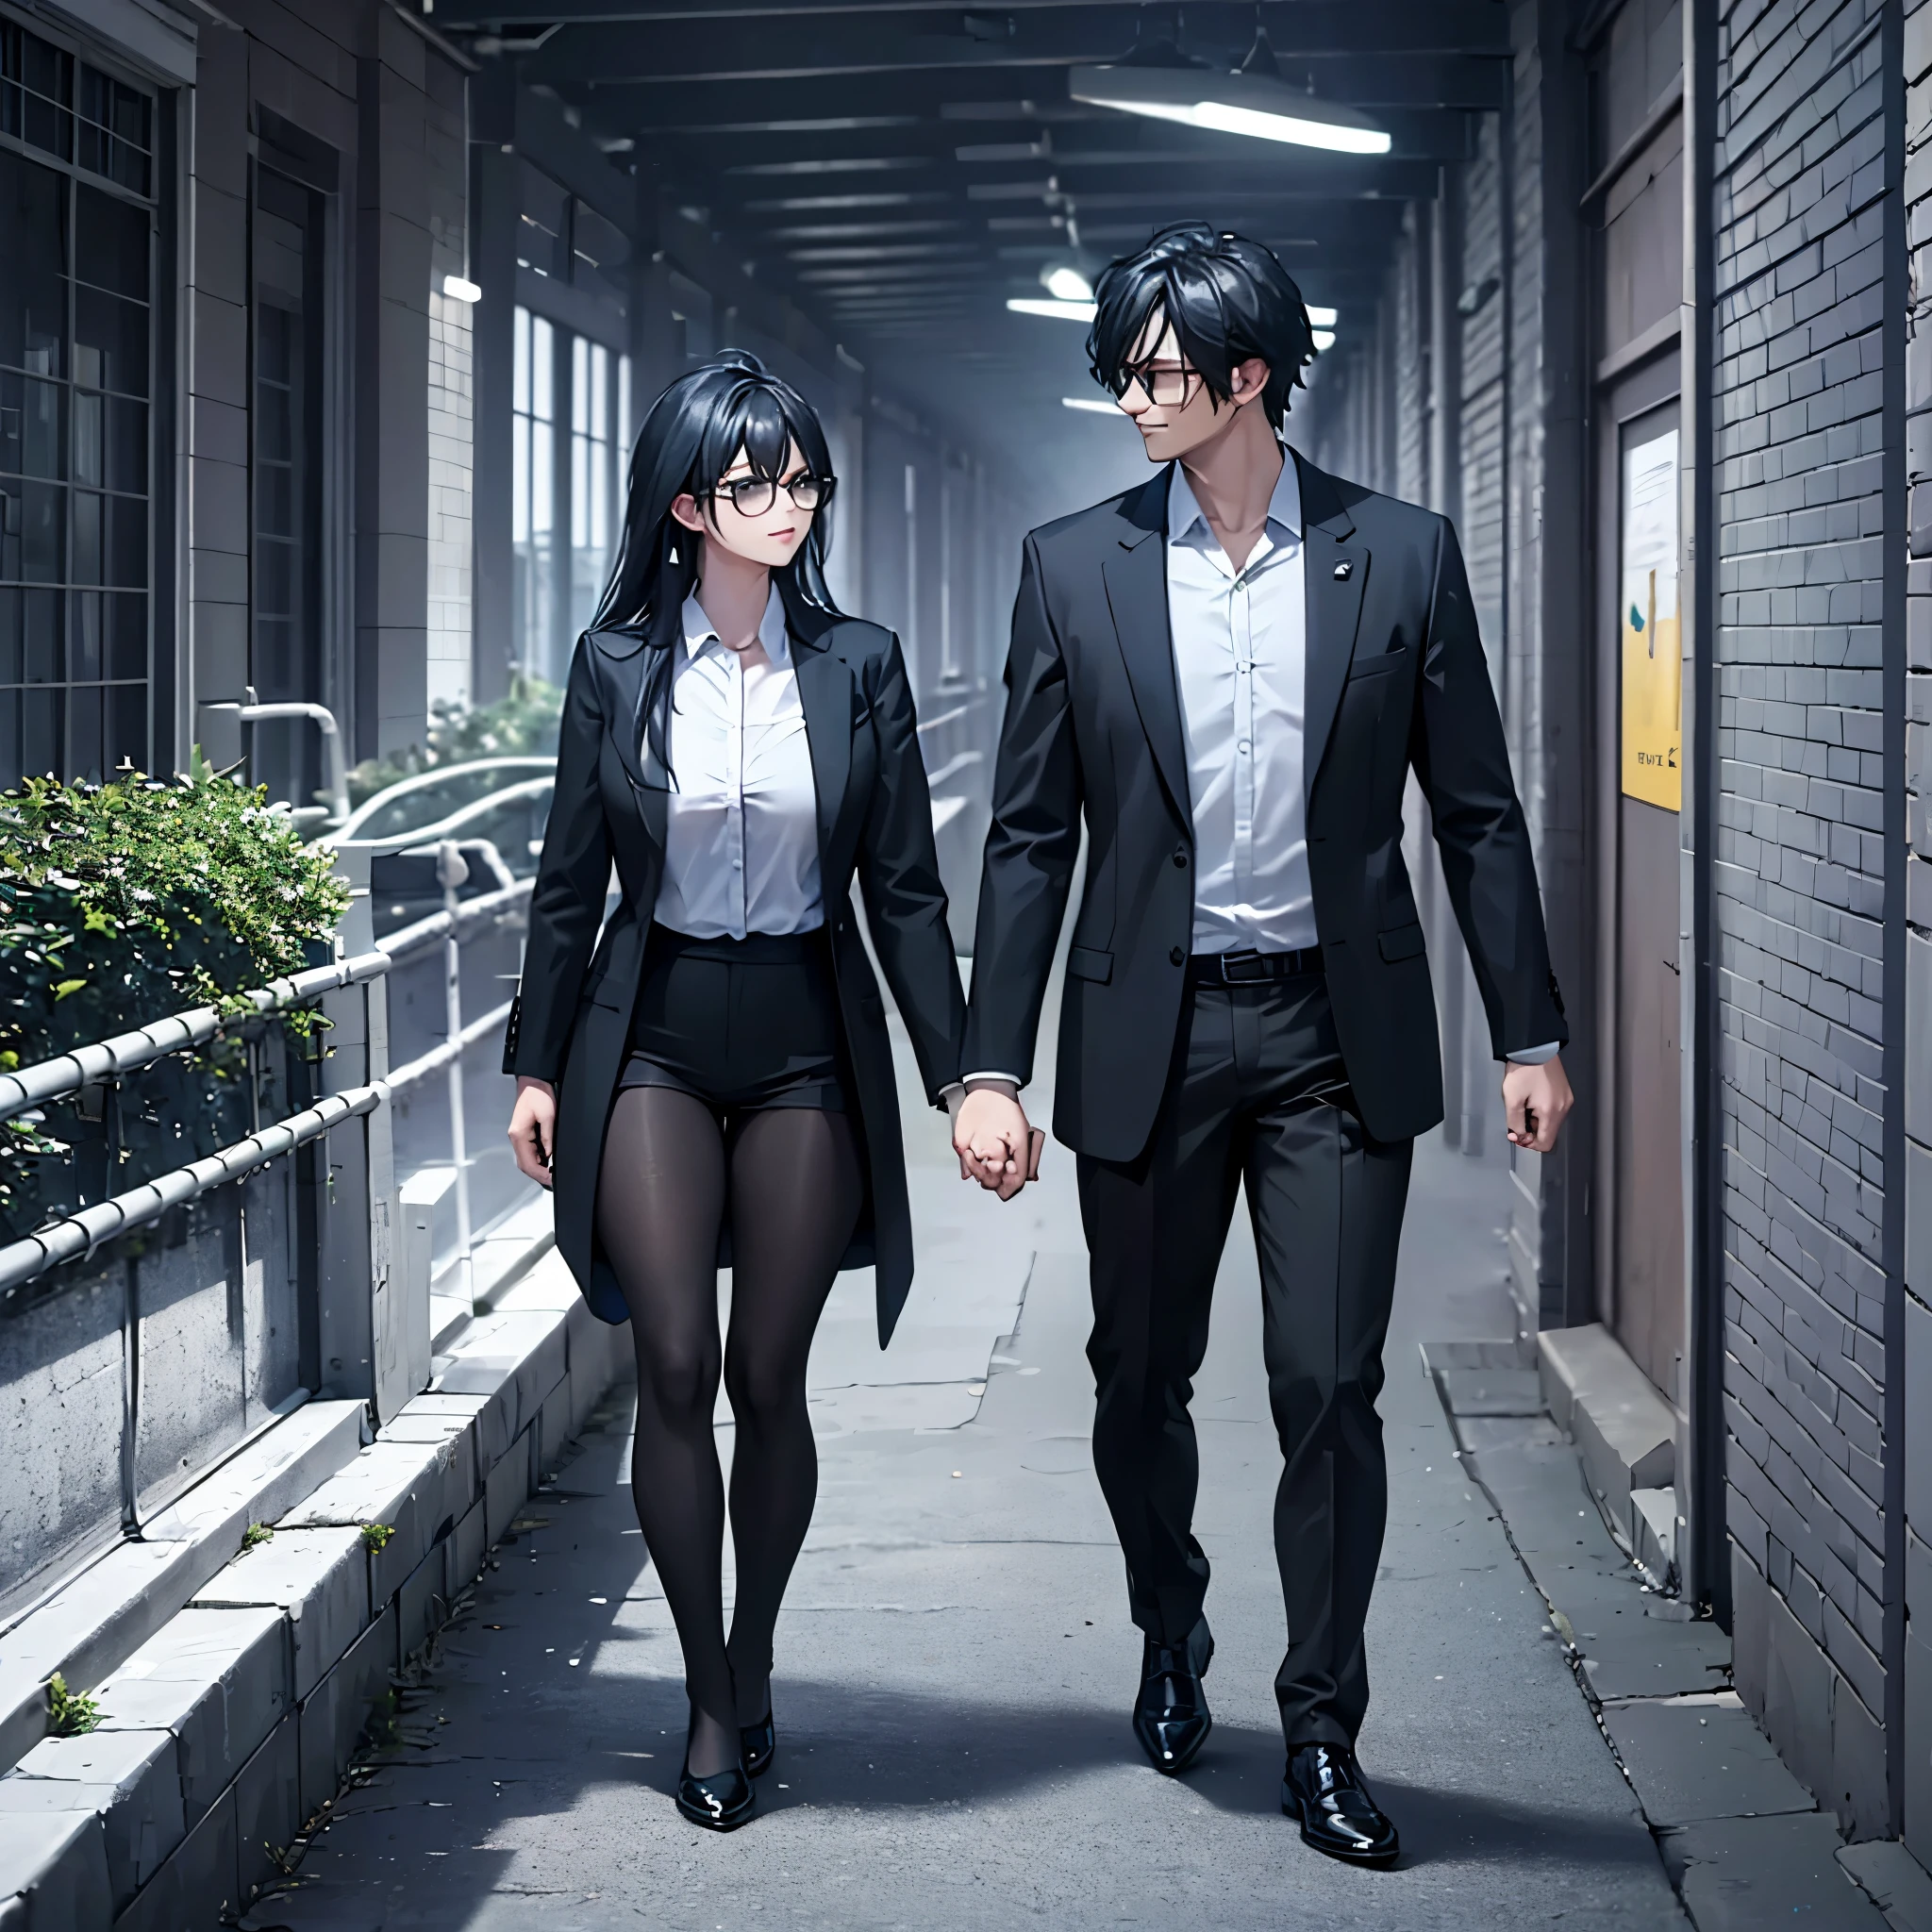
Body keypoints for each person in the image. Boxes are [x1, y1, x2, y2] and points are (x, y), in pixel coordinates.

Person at [952, 223, 1574, 1868]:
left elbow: (1479, 813)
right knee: (1135, 1381)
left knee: (1329, 1386)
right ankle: (1173, 1630)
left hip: (1327, 1034)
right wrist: (989, 1065)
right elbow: (1029, 838)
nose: (1131, 398)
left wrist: (1530, 1029)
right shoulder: (1073, 565)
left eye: (1156, 372)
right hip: (1142, 1036)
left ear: (1247, 380)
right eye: (1121, 372)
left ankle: (1321, 1727)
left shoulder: (1402, 555)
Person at [504, 351, 965, 1833]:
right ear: (693, 504)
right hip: (651, 1039)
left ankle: (753, 1648)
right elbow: (569, 883)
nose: (788, 504)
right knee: (675, 1370)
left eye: (802, 478)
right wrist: (533, 1060)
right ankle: (707, 1693)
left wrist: (967, 1075)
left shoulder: (860, 665)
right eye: (757, 483)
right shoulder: (618, 667)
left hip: (806, 1045)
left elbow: (905, 895)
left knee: (772, 1378)